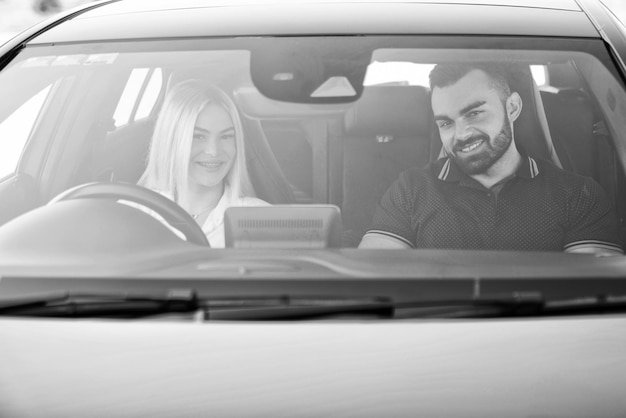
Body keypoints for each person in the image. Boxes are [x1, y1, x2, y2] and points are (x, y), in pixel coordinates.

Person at [359, 62, 623, 255]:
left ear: (512, 107)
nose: (461, 134)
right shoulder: (411, 190)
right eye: (446, 123)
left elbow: (593, 303)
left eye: (474, 114)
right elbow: (373, 280)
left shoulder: (578, 196)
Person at [138, 79, 268, 247]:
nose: (213, 151)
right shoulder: (132, 212)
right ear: (171, 141)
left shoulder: (259, 218)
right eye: (198, 136)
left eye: (226, 136)